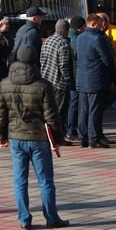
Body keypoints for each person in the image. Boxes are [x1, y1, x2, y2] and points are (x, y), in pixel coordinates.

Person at [0, 45, 69, 230]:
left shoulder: (5, 84)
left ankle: (24, 219)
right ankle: (51, 217)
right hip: (39, 138)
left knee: (20, 181)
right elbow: (51, 115)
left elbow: (1, 113)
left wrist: (1, 135)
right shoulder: (43, 85)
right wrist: (57, 140)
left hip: (16, 138)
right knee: (45, 181)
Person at [76, 14, 115, 149]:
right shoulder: (98, 38)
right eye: (99, 25)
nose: (101, 27)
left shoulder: (80, 38)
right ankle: (93, 139)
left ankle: (83, 138)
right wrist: (112, 74)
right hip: (96, 79)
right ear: (93, 24)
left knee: (84, 110)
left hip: (82, 79)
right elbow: (107, 59)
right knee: (95, 110)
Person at [40, 19, 74, 147]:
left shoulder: (48, 40)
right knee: (60, 111)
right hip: (59, 82)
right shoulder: (63, 43)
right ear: (65, 30)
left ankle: (47, 134)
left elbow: (41, 59)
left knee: (49, 110)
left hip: (46, 79)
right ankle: (58, 138)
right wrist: (69, 80)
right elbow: (63, 65)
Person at [65, 15, 86, 142]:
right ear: (79, 27)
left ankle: (70, 129)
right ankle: (71, 130)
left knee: (73, 102)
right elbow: (78, 57)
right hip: (75, 75)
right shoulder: (75, 40)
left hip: (72, 75)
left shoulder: (72, 36)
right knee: (74, 102)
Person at [13, 6, 46, 71]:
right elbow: (34, 55)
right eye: (40, 17)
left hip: (18, 67)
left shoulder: (21, 29)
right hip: (28, 69)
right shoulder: (34, 33)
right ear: (34, 19)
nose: (42, 19)